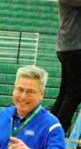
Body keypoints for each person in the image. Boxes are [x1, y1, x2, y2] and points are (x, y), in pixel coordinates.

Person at [50, 0, 81, 131]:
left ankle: (50, 127)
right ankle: (58, 129)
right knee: (74, 93)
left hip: (69, 47)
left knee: (66, 92)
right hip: (74, 48)